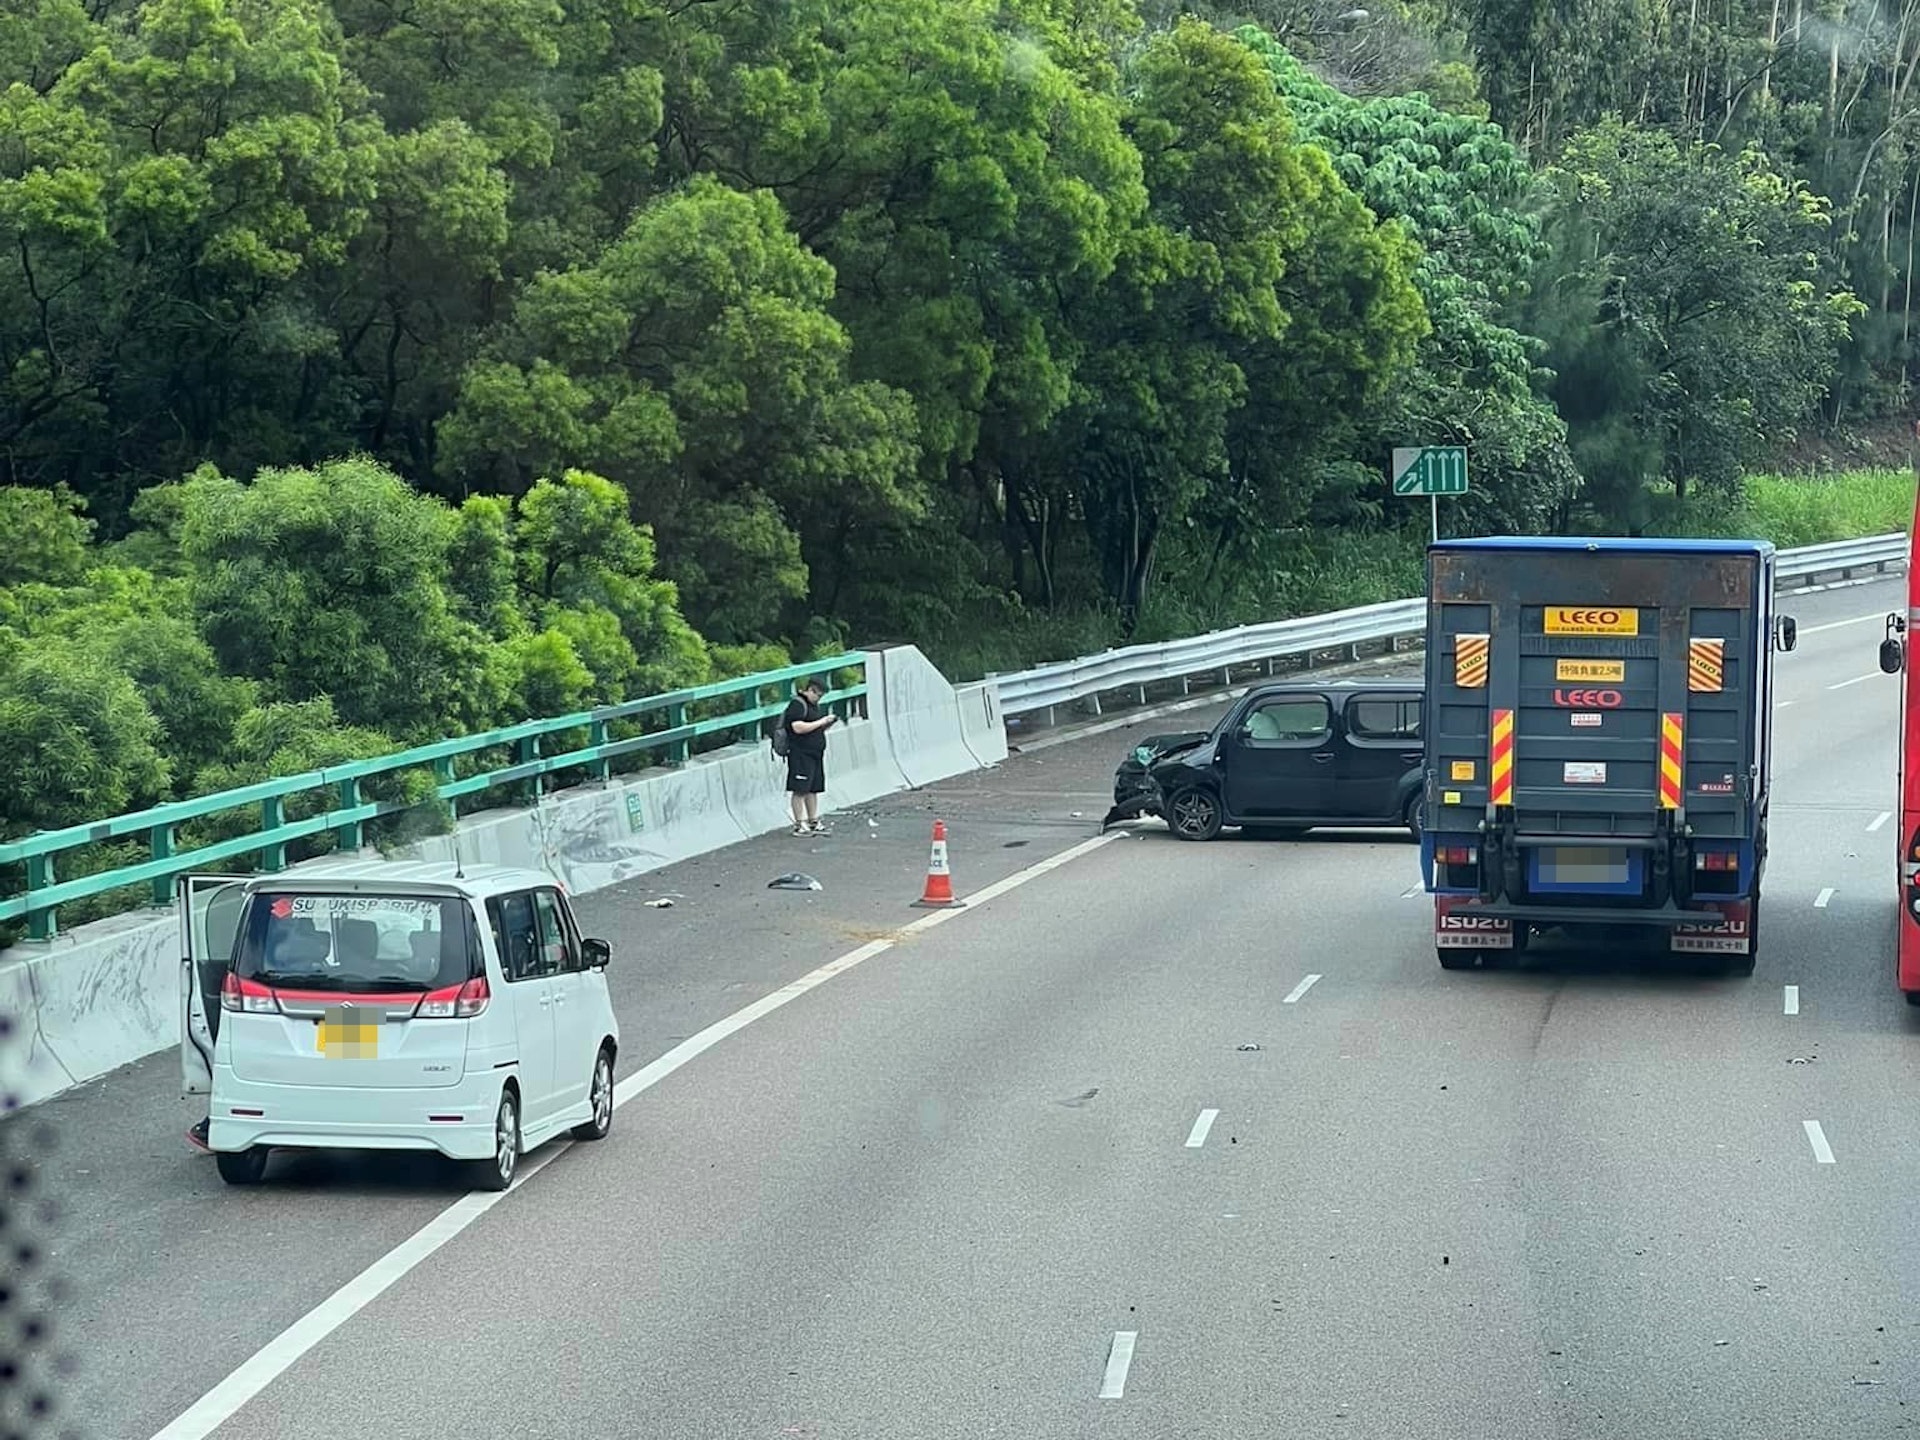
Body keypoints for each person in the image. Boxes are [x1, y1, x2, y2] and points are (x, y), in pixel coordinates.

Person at [782, 676, 838, 835]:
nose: (819, 698)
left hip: (815, 752)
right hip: (800, 753)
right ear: (811, 690)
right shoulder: (797, 705)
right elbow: (797, 727)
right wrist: (821, 722)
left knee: (812, 788)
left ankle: (813, 819)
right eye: (818, 695)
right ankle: (799, 823)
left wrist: (826, 724)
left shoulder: (814, 706)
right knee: (800, 789)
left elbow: (813, 728)